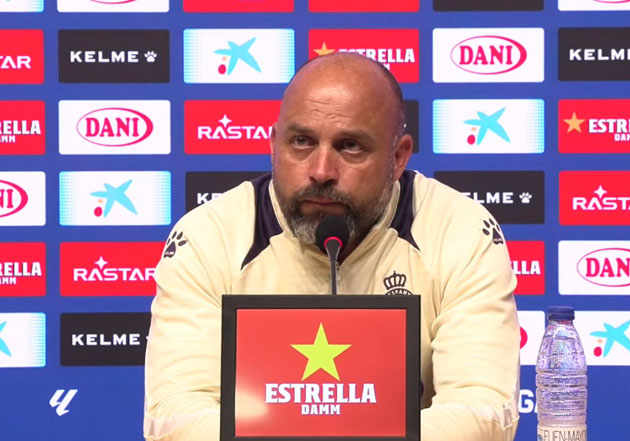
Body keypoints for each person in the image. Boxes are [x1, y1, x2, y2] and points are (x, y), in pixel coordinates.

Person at [143, 53, 520, 441]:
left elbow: (482, 406)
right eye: (301, 142)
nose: (321, 171)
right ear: (273, 145)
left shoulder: (457, 229)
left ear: (397, 158)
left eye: (350, 146)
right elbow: (176, 414)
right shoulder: (210, 237)